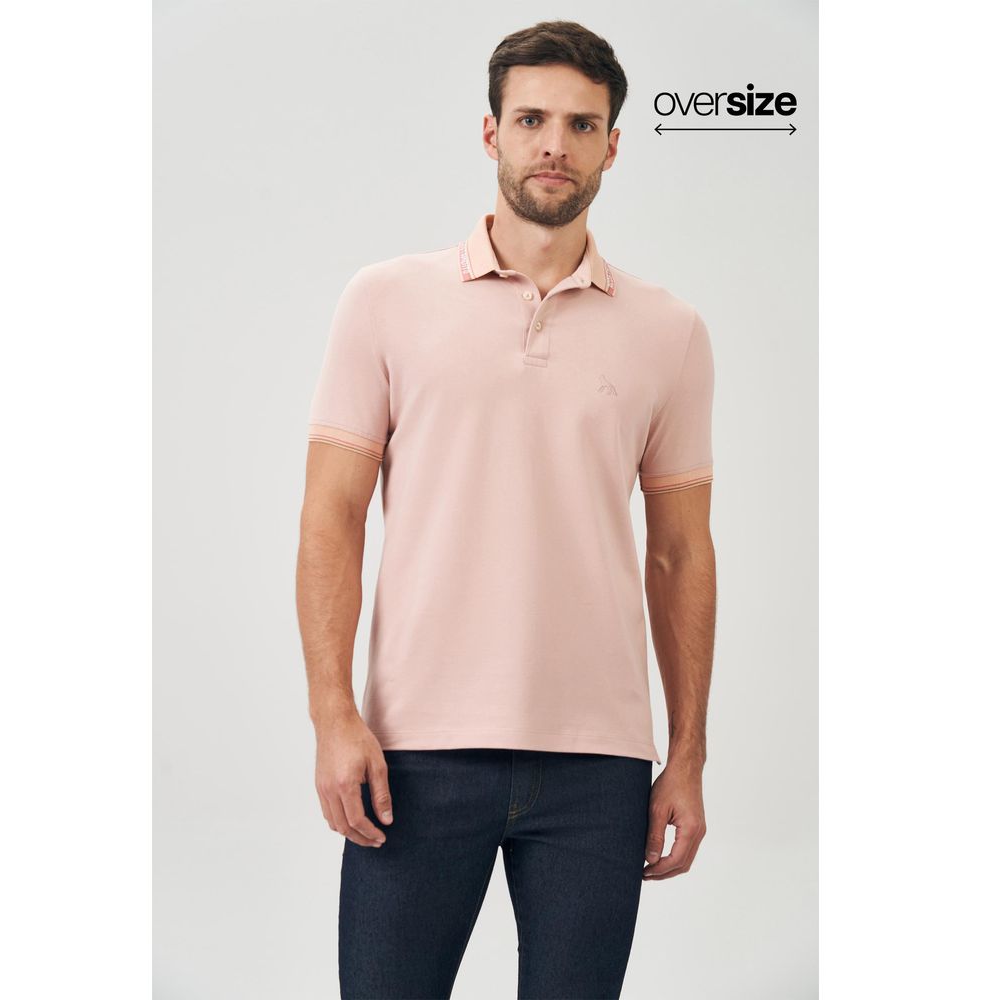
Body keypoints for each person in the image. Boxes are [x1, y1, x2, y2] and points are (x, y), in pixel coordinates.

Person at [296, 19, 717, 1000]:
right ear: (491, 132)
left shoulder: (670, 332)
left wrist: (688, 756)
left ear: (613, 144)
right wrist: (333, 715)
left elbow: (680, 555)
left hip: (599, 764)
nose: (553, 144)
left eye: (581, 124)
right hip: (415, 753)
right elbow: (331, 518)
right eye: (531, 119)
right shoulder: (385, 300)